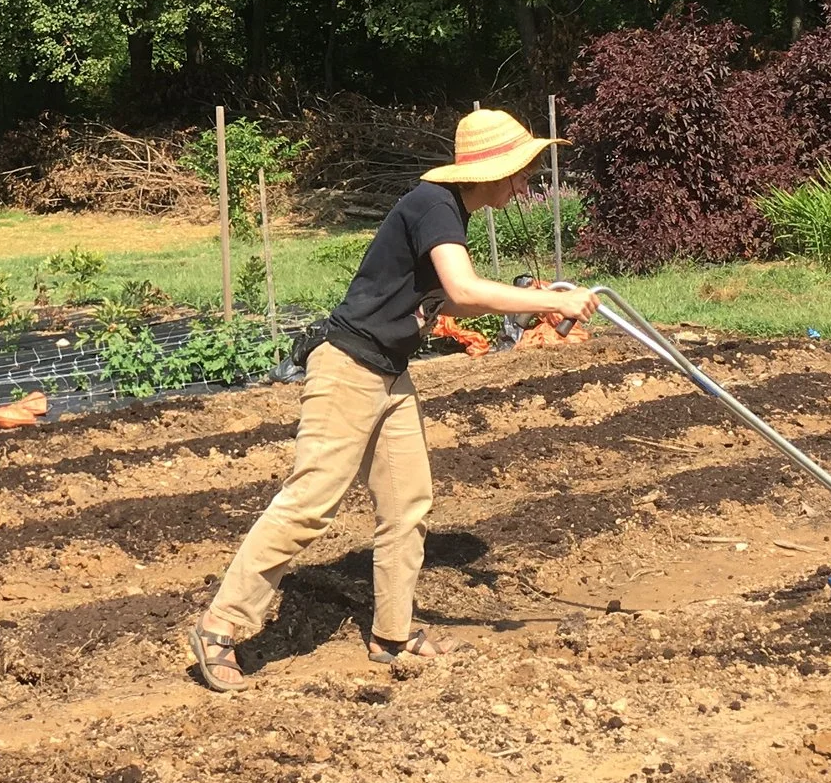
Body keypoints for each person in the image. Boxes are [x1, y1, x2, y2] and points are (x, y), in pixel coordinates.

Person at [186, 107, 597, 691]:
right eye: (522, 172)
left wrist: (537, 295)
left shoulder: (450, 212)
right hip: (349, 367)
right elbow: (461, 287)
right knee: (311, 501)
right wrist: (548, 305)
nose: (526, 184)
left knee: (408, 501)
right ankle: (220, 626)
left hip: (389, 371)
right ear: (494, 171)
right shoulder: (433, 203)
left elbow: (447, 302)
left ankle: (393, 633)